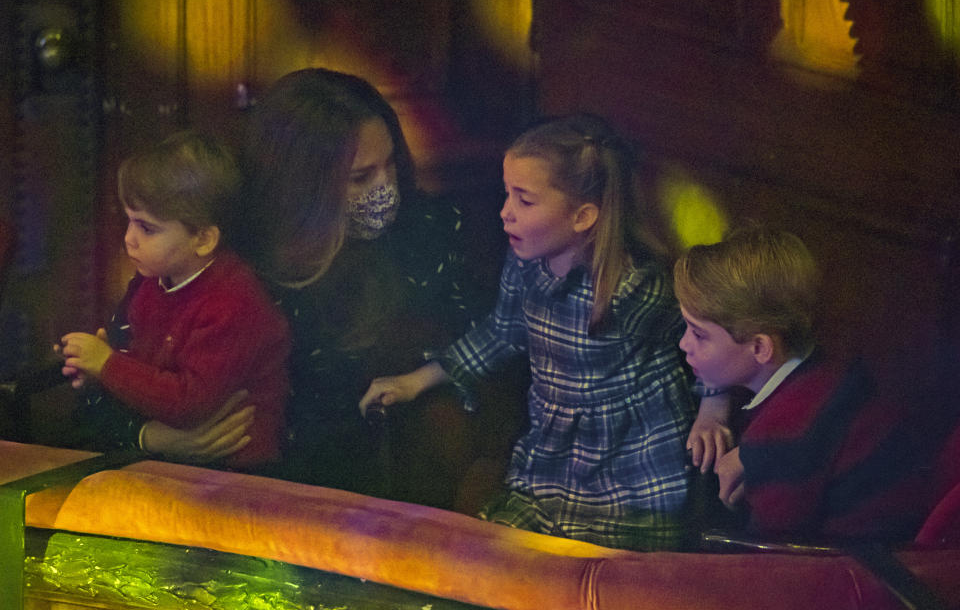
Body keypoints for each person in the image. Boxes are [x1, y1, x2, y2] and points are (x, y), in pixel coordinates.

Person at [360, 113, 727, 551]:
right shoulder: (524, 263)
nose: (504, 212)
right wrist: (415, 381)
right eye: (506, 194)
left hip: (631, 471)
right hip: (551, 460)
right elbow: (501, 331)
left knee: (601, 577)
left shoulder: (634, 290)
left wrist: (714, 407)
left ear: (582, 216)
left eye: (525, 200)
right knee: (496, 555)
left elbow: (704, 343)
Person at [226, 68, 492, 499]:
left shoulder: (428, 234)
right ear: (301, 187)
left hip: (399, 499)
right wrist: (162, 435)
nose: (385, 188)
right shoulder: (237, 264)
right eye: (360, 177)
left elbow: (486, 352)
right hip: (274, 498)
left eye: (389, 165)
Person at [673, 226, 927, 542]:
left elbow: (773, 555)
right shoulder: (825, 365)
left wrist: (759, 460)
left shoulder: (781, 439)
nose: (685, 344)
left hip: (860, 568)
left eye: (699, 334)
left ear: (760, 348)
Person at [57, 130, 291, 471]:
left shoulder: (233, 303)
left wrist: (109, 364)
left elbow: (189, 404)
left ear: (203, 238)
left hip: (239, 472)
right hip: (174, 461)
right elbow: (149, 368)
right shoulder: (152, 281)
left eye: (146, 228)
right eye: (129, 221)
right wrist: (100, 370)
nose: (128, 239)